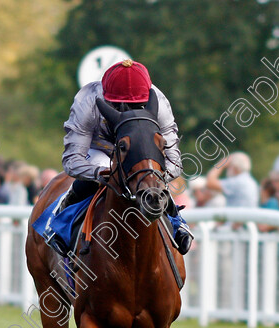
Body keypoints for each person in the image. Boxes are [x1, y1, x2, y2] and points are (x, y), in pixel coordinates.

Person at [56, 59, 192, 254]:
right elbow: (71, 159)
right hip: (100, 151)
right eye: (122, 104)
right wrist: (100, 173)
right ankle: (63, 223)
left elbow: (173, 160)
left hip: (139, 154)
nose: (129, 109)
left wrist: (153, 177)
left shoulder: (159, 102)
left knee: (152, 174)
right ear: (107, 97)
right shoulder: (87, 100)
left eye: (137, 104)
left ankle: (177, 222)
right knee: (99, 166)